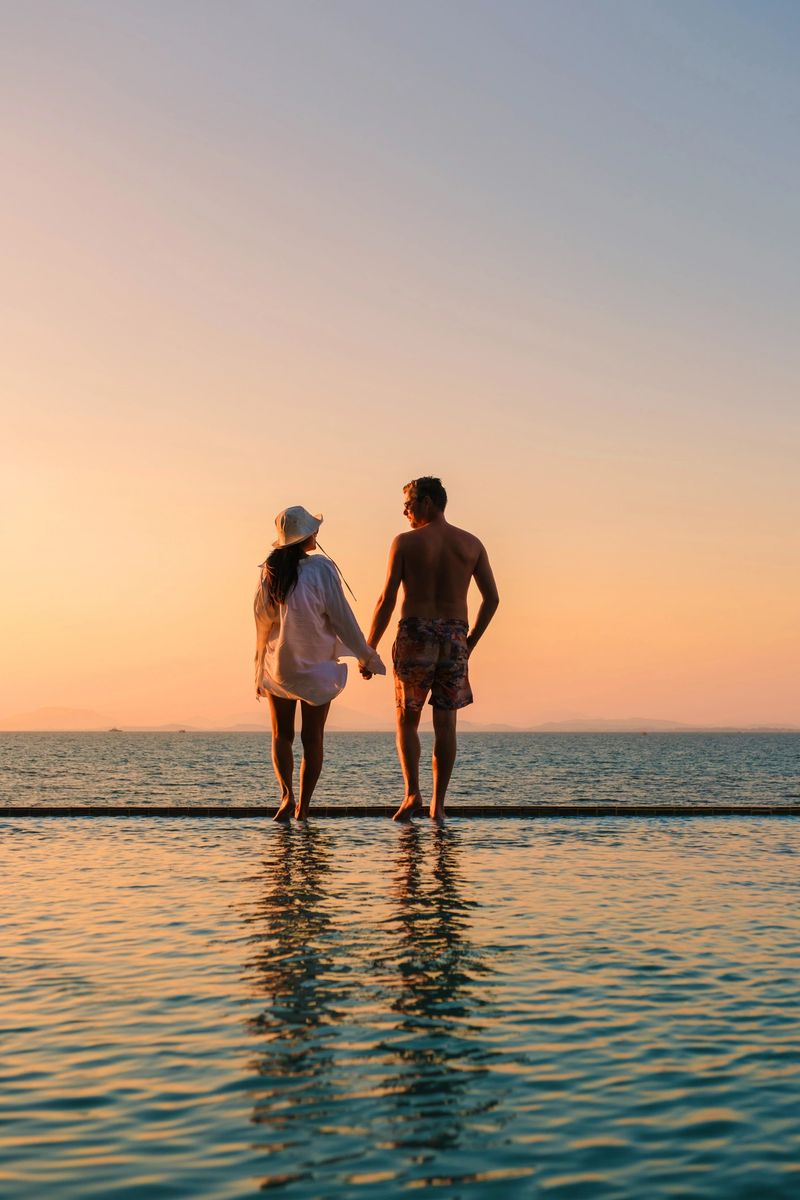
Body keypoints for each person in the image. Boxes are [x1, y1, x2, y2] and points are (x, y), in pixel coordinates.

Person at [363, 477, 499, 821]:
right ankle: (438, 806)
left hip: (416, 633)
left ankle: (412, 794)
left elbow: (387, 599)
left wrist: (369, 647)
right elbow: (492, 599)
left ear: (427, 502)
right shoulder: (471, 544)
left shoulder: (405, 543)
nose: (405, 511)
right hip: (455, 635)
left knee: (407, 720)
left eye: (408, 504)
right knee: (446, 725)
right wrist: (470, 642)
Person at [254, 505, 385, 821]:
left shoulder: (271, 571)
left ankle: (287, 795)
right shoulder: (322, 569)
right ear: (308, 535)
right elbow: (341, 618)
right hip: (316, 669)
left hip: (280, 666)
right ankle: (304, 807)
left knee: (281, 736)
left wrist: (259, 667)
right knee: (312, 739)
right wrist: (367, 656)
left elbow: (262, 621)